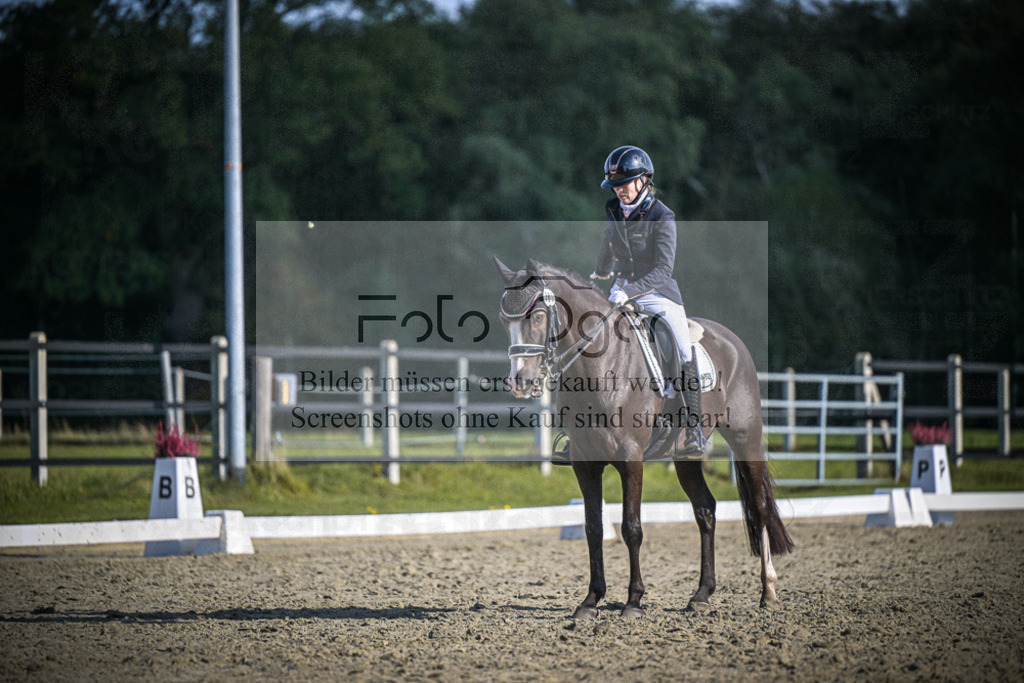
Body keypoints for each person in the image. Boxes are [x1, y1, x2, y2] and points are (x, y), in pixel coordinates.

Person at [592, 145, 703, 456]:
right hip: (621, 289)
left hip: (658, 293)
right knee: (590, 336)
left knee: (682, 345)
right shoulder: (614, 208)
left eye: (624, 184)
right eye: (614, 185)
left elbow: (664, 270)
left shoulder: (663, 216)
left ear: (643, 181)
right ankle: (580, 428)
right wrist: (600, 270)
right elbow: (609, 237)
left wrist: (629, 291)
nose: (619, 190)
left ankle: (693, 428)